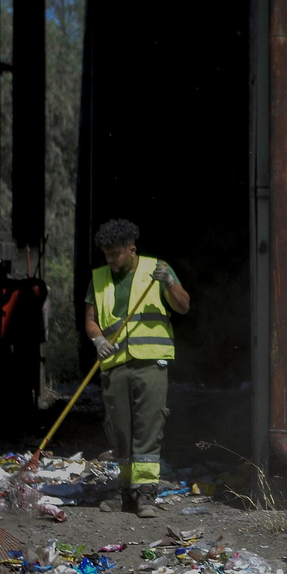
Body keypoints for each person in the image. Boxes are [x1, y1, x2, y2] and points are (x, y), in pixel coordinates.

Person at [84, 218, 189, 518]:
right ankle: (126, 493)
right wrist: (97, 339)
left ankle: (146, 495)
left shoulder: (157, 271)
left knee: (148, 429)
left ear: (132, 249)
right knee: (120, 432)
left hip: (150, 362)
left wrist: (169, 283)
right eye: (106, 253)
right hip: (115, 365)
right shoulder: (100, 278)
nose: (110, 259)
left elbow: (183, 306)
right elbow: (91, 318)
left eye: (115, 253)